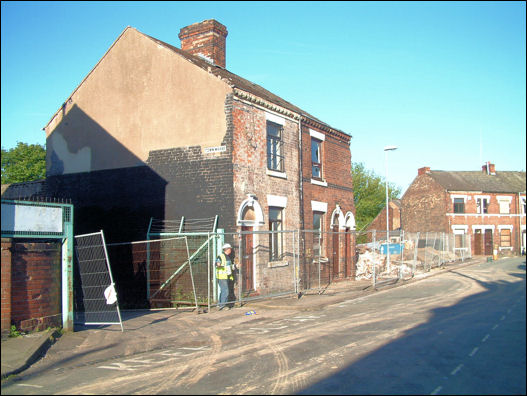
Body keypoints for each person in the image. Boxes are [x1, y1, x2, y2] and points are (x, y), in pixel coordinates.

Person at [216, 243, 236, 310]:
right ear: (227, 249)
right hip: (222, 277)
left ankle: (220, 304)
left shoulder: (228, 257)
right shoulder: (221, 256)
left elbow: (229, 266)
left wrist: (234, 266)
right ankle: (222, 306)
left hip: (226, 276)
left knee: (223, 290)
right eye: (230, 249)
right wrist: (219, 264)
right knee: (226, 291)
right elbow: (217, 263)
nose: (230, 250)